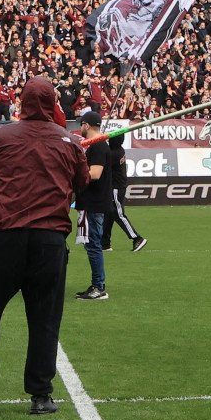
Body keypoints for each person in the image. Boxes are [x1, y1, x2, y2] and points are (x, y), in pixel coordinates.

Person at [0, 76, 90, 418]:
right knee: (44, 320)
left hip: (3, 236)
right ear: (53, 103)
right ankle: (40, 395)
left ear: (21, 103)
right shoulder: (68, 141)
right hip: (49, 239)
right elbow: (82, 182)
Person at [74, 112, 114, 301]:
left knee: (93, 246)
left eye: (81, 124)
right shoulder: (97, 145)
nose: (80, 128)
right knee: (91, 245)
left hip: (94, 203)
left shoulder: (98, 146)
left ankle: (99, 286)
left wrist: (73, 175)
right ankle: (97, 284)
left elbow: (95, 174)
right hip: (91, 202)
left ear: (87, 125)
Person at [106, 122, 147, 252]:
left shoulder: (113, 153)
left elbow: (102, 160)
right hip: (117, 186)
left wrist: (97, 144)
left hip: (116, 187)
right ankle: (105, 243)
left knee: (118, 214)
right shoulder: (119, 150)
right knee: (109, 213)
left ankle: (137, 238)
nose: (108, 138)